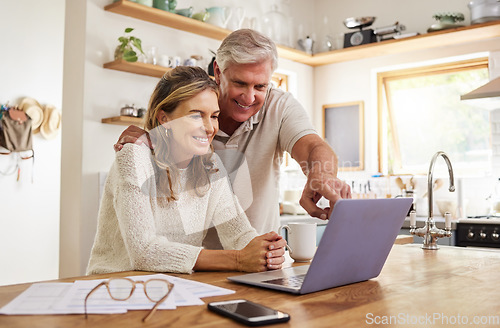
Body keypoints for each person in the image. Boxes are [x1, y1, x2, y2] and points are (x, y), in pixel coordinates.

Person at [114, 29, 351, 240]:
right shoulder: (194, 106)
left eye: (260, 86)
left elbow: (311, 146)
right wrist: (151, 136)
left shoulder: (279, 106)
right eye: (240, 83)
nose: (249, 98)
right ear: (218, 71)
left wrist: (322, 175)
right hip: (191, 261)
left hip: (254, 255)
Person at [87, 66, 286, 275]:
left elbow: (239, 235)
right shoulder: (135, 157)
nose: (210, 128)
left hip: (175, 287)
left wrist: (266, 250)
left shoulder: (211, 166)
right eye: (196, 115)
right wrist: (237, 260)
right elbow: (144, 251)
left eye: (214, 116)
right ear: (164, 119)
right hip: (115, 289)